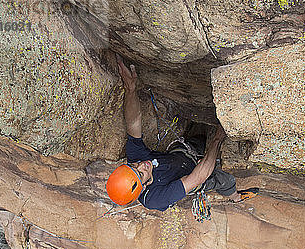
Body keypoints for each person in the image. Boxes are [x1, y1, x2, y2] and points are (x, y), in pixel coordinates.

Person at [105, 56, 258, 211]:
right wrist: (218, 139)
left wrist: (130, 89)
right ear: (144, 187)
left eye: (134, 165)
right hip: (190, 174)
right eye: (141, 173)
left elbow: (133, 123)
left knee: (197, 138)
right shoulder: (155, 198)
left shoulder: (138, 160)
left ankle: (200, 144)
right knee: (225, 180)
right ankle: (236, 197)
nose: (142, 165)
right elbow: (198, 177)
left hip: (180, 155)